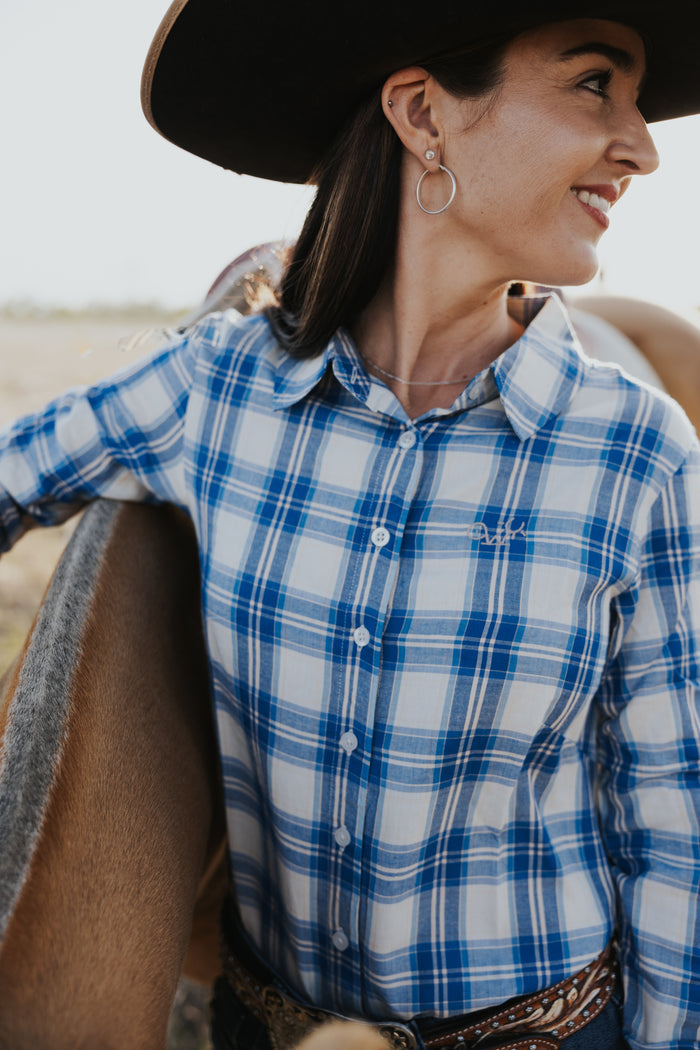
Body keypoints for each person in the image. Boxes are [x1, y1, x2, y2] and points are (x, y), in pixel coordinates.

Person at [2, 2, 700, 1048]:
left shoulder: (637, 455)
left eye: (638, 101)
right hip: (263, 1024)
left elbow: (675, 828)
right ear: (423, 114)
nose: (641, 146)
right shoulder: (216, 391)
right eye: (594, 83)